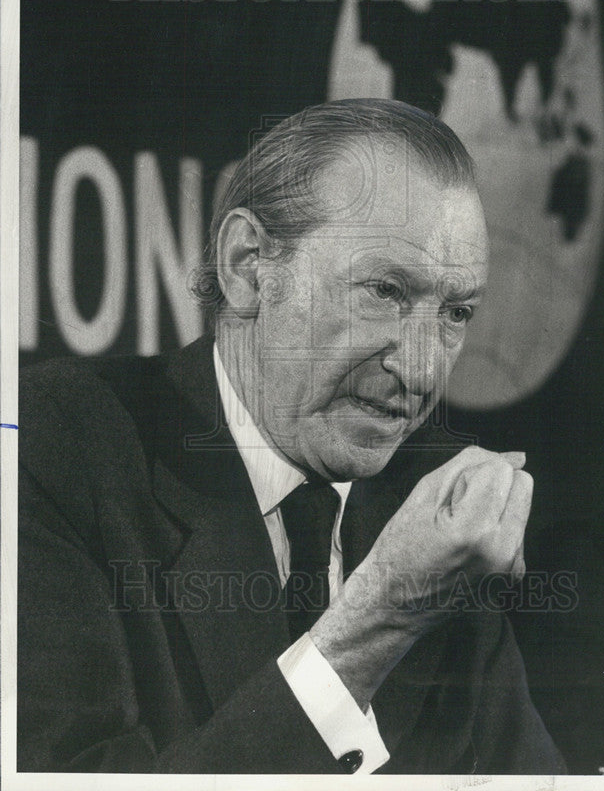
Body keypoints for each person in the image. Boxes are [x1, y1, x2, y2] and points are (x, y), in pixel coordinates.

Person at [18, 98, 565, 774]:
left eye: (455, 312)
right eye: (385, 291)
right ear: (249, 267)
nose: (423, 368)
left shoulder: (428, 509)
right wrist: (379, 620)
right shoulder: (55, 446)